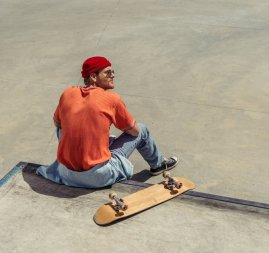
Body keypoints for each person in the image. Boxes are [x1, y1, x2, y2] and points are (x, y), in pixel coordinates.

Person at [36, 56, 178, 188]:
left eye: (113, 72)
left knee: (62, 127)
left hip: (65, 172)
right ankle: (158, 165)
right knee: (142, 129)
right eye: (108, 73)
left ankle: (85, 154)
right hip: (97, 177)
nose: (113, 75)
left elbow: (57, 123)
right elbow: (134, 131)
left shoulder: (68, 93)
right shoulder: (111, 99)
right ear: (93, 77)